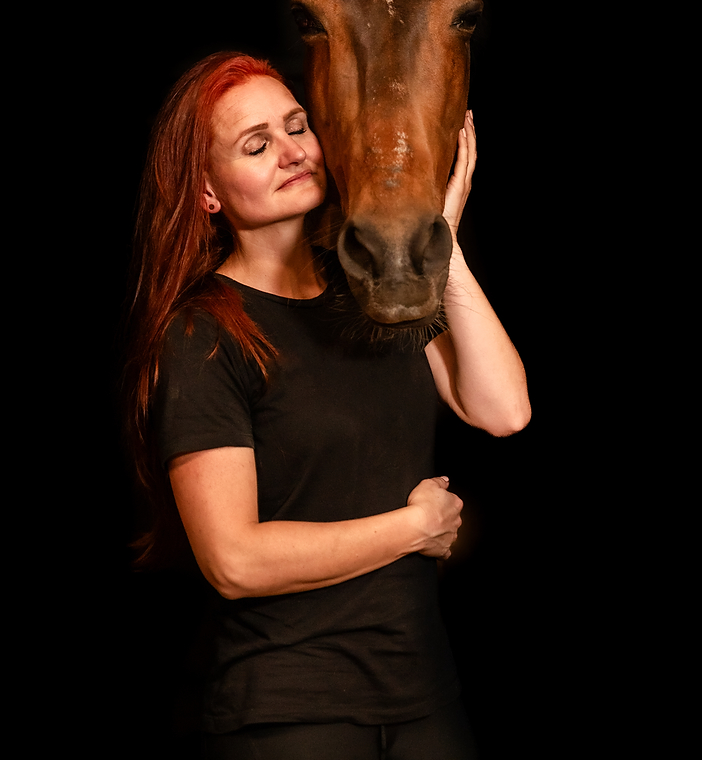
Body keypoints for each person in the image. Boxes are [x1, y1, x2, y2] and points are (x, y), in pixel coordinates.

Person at [125, 51, 530, 759]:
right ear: (209, 193)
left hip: (423, 697)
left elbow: (502, 409)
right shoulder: (204, 334)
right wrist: (412, 528)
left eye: (296, 127)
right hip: (288, 713)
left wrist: (444, 241)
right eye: (257, 145)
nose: (291, 153)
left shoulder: (371, 290)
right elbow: (235, 560)